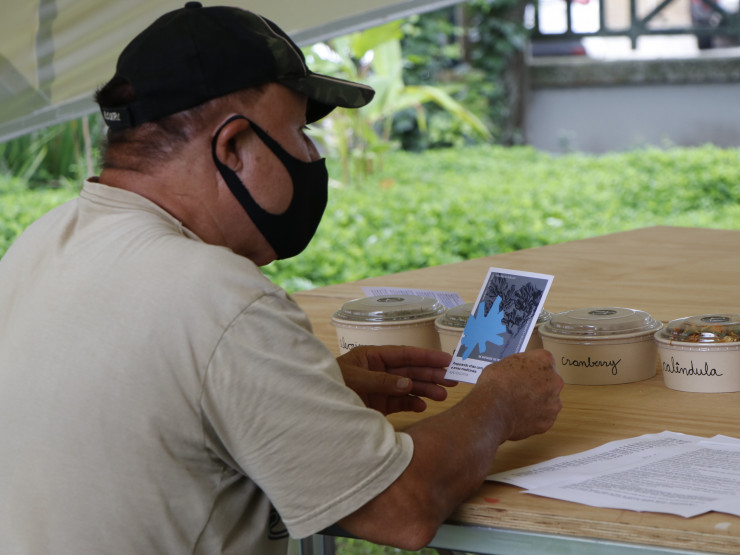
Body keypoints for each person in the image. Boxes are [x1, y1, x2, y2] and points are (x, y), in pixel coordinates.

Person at [0, 3, 563, 554]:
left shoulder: (40, 244)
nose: (312, 157)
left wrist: (311, 394)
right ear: (235, 148)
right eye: (298, 131)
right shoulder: (215, 294)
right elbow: (399, 510)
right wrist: (499, 407)